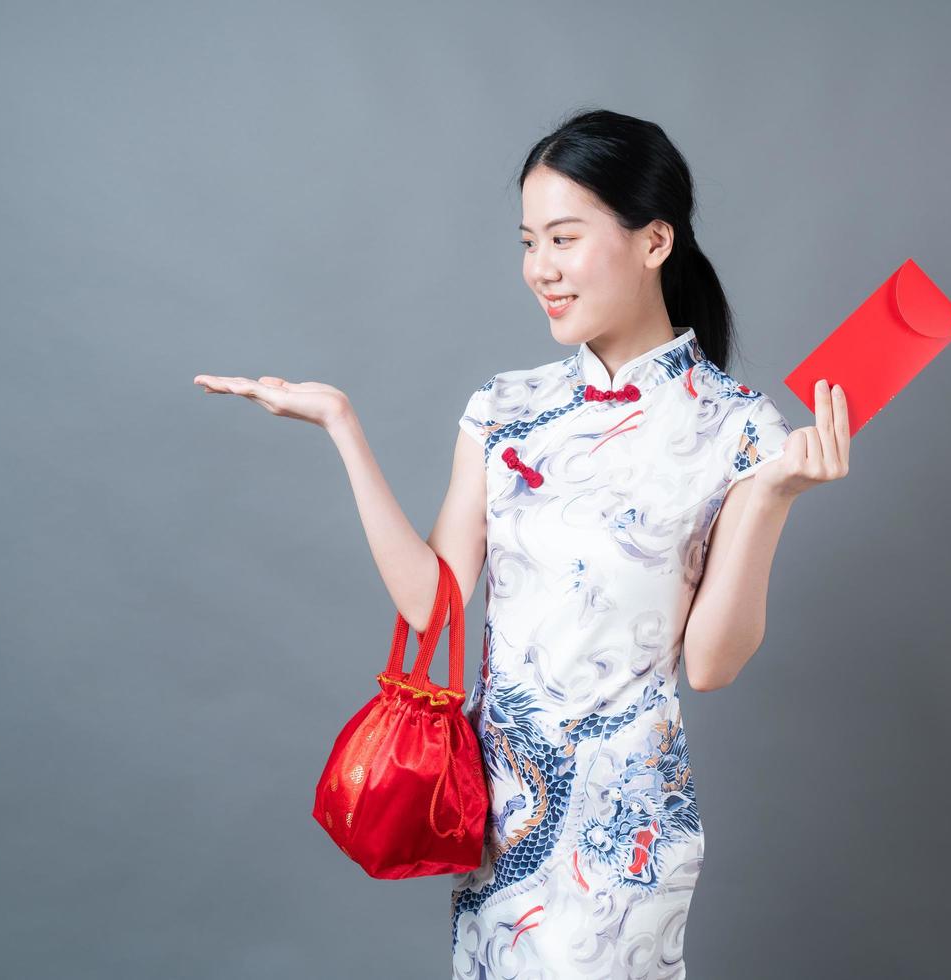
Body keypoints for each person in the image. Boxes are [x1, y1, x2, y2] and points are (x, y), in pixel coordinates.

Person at [194, 107, 848, 978]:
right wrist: (343, 428)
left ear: (655, 241)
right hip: (497, 823)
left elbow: (711, 666)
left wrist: (770, 496)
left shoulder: (738, 430)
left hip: (626, 832)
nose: (542, 269)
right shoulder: (506, 409)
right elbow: (434, 605)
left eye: (566, 239)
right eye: (530, 241)